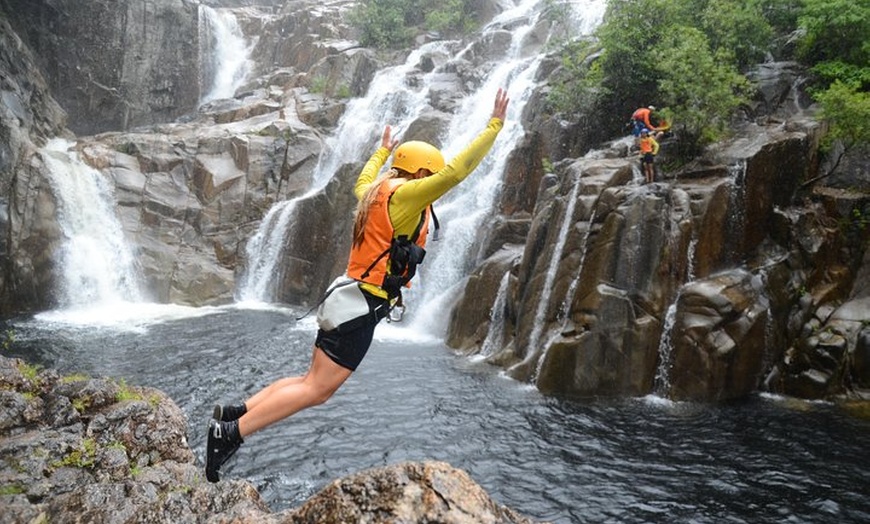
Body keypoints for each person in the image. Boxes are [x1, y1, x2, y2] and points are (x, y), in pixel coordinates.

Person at [204, 88, 511, 483]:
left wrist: (382, 151)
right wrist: (494, 125)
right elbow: (456, 172)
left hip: (347, 296)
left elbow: (365, 176)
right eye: (429, 177)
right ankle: (230, 434)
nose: (433, 184)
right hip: (360, 306)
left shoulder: (375, 191)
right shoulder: (409, 197)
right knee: (317, 390)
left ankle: (236, 412)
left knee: (306, 381)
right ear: (420, 174)